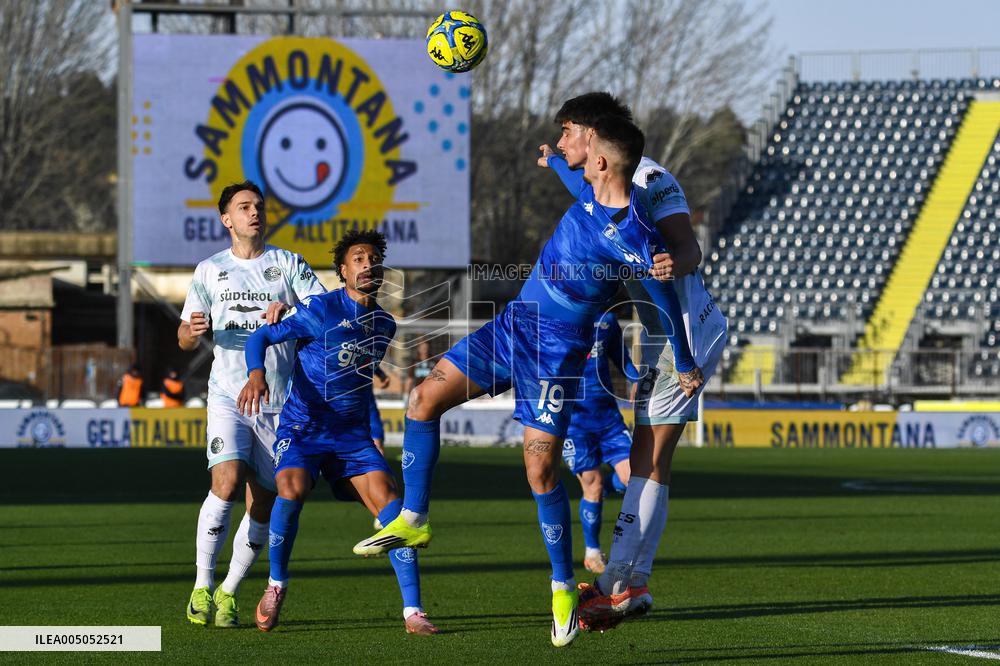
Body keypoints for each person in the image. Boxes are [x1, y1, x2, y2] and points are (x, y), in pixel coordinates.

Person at [355, 114, 694, 647]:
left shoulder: (631, 232)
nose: (574, 156)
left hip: (556, 354)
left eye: (580, 148)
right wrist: (554, 161)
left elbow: (664, 293)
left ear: (602, 161)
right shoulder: (588, 192)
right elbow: (570, 179)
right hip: (513, 326)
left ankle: (562, 585)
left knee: (539, 470)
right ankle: (415, 517)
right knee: (422, 400)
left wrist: (688, 358)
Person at [538, 93, 728, 629]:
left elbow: (688, 248)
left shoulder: (647, 179)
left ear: (594, 138)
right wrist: (551, 162)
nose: (562, 140)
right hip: (668, 333)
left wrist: (671, 264)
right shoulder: (598, 183)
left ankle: (613, 585)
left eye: (567, 132)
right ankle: (634, 583)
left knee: (645, 458)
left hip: (683, 331)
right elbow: (574, 183)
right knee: (656, 462)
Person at [237, 229, 438, 636]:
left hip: (351, 436)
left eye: (372, 259)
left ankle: (413, 612)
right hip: (303, 427)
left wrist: (372, 432)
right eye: (358, 259)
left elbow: (359, 384)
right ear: (343, 271)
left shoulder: (384, 325)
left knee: (395, 513)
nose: (367, 265)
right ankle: (276, 584)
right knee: (290, 490)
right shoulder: (320, 309)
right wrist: (256, 374)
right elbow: (260, 336)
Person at [178, 180, 325, 628]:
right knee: (225, 480)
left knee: (262, 503)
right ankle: (202, 586)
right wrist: (193, 331)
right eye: (244, 207)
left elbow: (322, 310)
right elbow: (184, 337)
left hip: (280, 402)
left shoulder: (288, 264)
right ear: (227, 219)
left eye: (258, 206)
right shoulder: (209, 270)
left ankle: (228, 592)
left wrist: (293, 311)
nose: (254, 213)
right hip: (228, 392)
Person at [561, 311, 639, 575]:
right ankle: (592, 552)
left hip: (608, 418)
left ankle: (602, 486)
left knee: (635, 479)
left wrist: (634, 378)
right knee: (591, 486)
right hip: (574, 422)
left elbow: (620, 356)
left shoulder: (606, 318)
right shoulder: (558, 316)